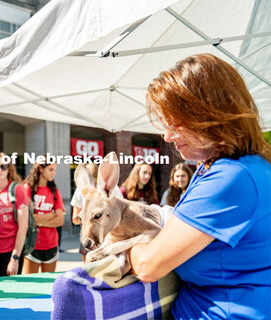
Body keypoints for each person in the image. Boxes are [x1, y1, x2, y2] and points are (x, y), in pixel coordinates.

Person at [129, 53, 271, 319]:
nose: (167, 136)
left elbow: (148, 265)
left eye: (176, 122)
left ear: (210, 113)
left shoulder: (230, 177)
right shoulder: (238, 167)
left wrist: (126, 245)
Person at [71, 163, 122, 262]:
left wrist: (85, 218)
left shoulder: (80, 190)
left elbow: (75, 219)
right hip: (108, 233)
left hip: (88, 235)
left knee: (89, 267)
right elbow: (119, 210)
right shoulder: (112, 188)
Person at [23, 160, 65, 274]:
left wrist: (38, 221)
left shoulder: (54, 191)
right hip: (32, 244)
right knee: (31, 286)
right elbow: (28, 219)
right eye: (51, 169)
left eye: (55, 170)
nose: (54, 173)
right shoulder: (27, 189)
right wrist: (51, 214)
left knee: (48, 285)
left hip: (51, 244)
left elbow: (60, 220)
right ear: (41, 169)